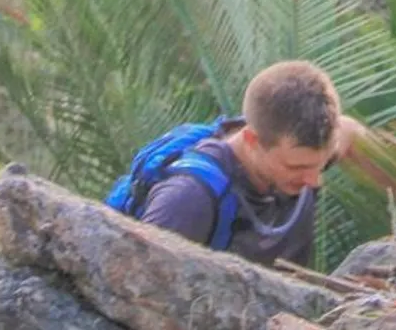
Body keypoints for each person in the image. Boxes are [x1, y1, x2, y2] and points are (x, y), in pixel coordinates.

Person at [135, 60, 371, 268]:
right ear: (251, 140)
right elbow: (135, 279)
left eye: (320, 165)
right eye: (296, 168)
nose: (313, 180)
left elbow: (350, 131)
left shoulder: (308, 150)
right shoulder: (188, 199)